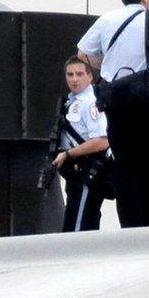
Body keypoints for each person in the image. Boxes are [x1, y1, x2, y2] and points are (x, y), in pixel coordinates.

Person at [77, 0, 149, 228]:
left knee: (124, 162)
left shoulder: (106, 20)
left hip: (116, 101)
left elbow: (82, 51)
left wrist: (105, 65)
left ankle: (129, 225)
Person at [52, 57, 110, 232]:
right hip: (75, 174)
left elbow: (102, 141)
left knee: (79, 229)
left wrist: (68, 154)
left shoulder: (90, 103)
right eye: (70, 74)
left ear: (90, 76)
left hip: (87, 172)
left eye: (79, 74)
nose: (74, 79)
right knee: (74, 224)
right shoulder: (72, 101)